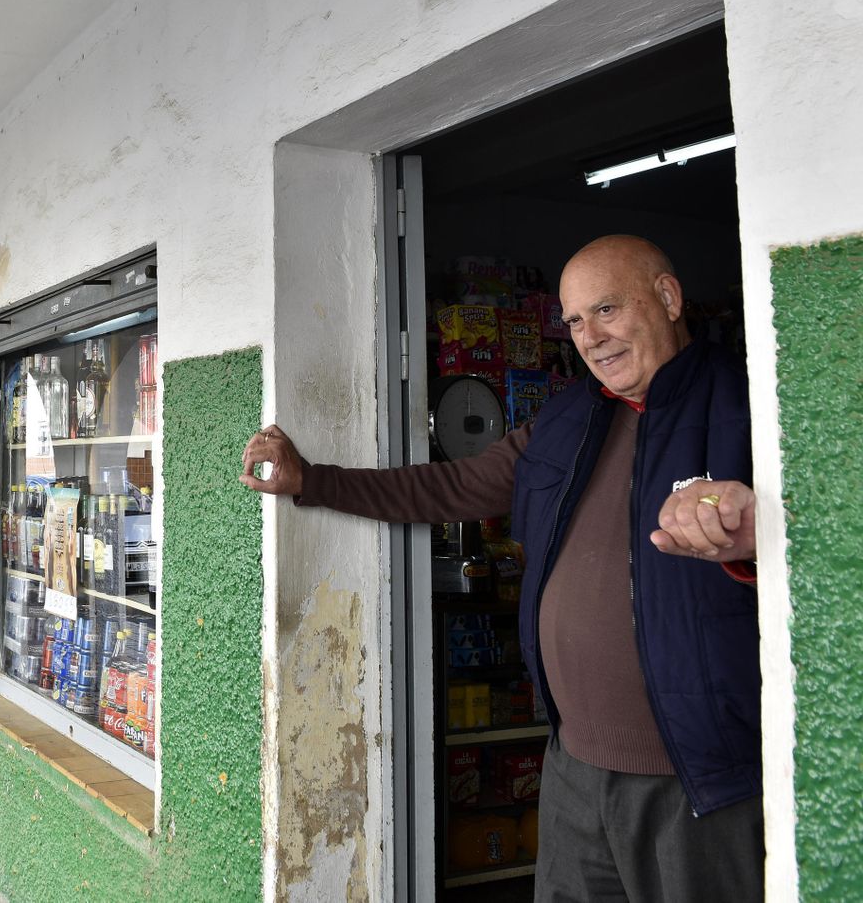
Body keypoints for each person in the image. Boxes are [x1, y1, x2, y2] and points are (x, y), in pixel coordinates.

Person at [240, 235, 762, 903]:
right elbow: (449, 487)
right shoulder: (568, 421)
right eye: (574, 321)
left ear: (667, 297)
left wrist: (756, 536)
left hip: (698, 776)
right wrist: (310, 481)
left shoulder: (749, 404)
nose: (590, 337)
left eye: (606, 309)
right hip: (572, 767)